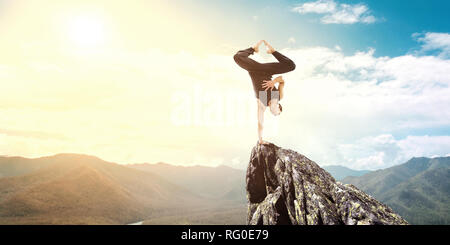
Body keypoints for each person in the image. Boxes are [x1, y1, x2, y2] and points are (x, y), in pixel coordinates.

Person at [233, 40, 296, 144]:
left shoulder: (262, 104)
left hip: (254, 70)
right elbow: (282, 80)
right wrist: (274, 81)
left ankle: (253, 49)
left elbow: (260, 123)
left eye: (274, 114)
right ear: (279, 107)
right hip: (267, 70)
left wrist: (260, 139)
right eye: (277, 113)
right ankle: (273, 51)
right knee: (291, 66)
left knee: (237, 57)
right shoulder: (279, 96)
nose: (275, 114)